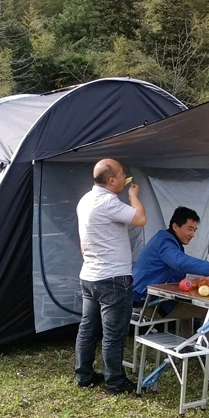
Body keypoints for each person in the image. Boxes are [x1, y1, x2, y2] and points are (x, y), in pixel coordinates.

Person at [75, 158, 146, 394]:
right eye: (122, 174)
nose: (126, 177)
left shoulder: (85, 200)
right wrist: (133, 195)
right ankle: (115, 382)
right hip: (113, 279)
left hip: (90, 275)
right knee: (113, 333)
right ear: (112, 179)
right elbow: (140, 219)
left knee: (87, 328)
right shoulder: (108, 202)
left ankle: (84, 375)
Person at [133, 207, 209, 357]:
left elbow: (174, 270)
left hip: (149, 297)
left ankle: (187, 344)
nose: (193, 234)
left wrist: (195, 281)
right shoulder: (165, 242)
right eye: (190, 229)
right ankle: (205, 352)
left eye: (195, 230)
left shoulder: (166, 240)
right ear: (175, 226)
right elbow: (180, 262)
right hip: (148, 303)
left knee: (190, 302)